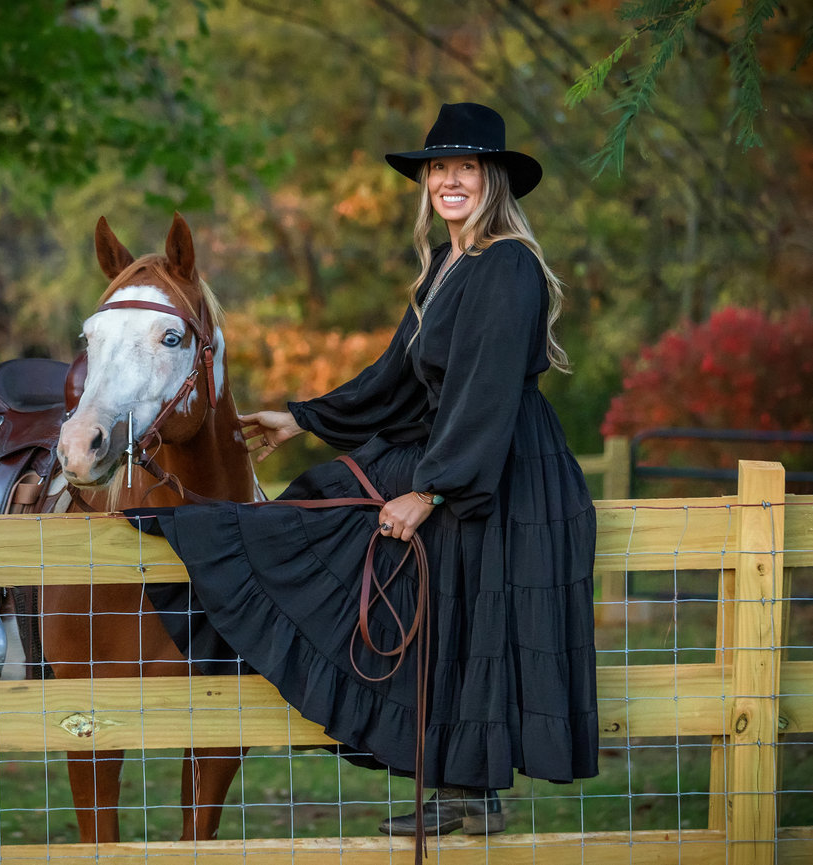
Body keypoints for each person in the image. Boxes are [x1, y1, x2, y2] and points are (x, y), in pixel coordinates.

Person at [139, 102, 598, 839]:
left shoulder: (506, 264)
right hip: (451, 450)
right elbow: (393, 376)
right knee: (380, 557)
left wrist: (430, 487)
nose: (449, 180)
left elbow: (485, 389)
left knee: (461, 612)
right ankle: (460, 790)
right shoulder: (447, 266)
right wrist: (303, 417)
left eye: (466, 168)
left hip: (497, 466)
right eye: (438, 169)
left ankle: (468, 791)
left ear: (494, 181)